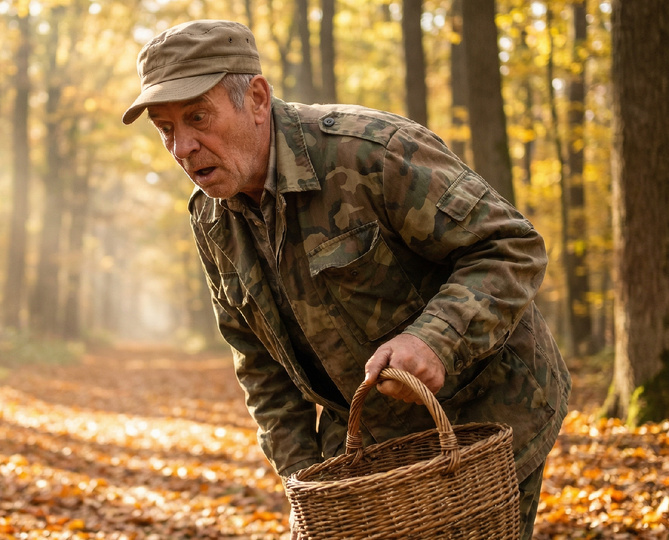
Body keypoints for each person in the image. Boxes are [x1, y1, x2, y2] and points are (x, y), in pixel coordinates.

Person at [122, 19, 570, 539]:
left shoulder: (369, 152)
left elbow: (511, 247)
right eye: (166, 129)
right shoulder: (211, 219)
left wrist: (435, 339)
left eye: (198, 116)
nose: (182, 148)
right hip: (362, 445)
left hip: (485, 419)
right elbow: (259, 363)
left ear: (258, 98)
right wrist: (306, 481)